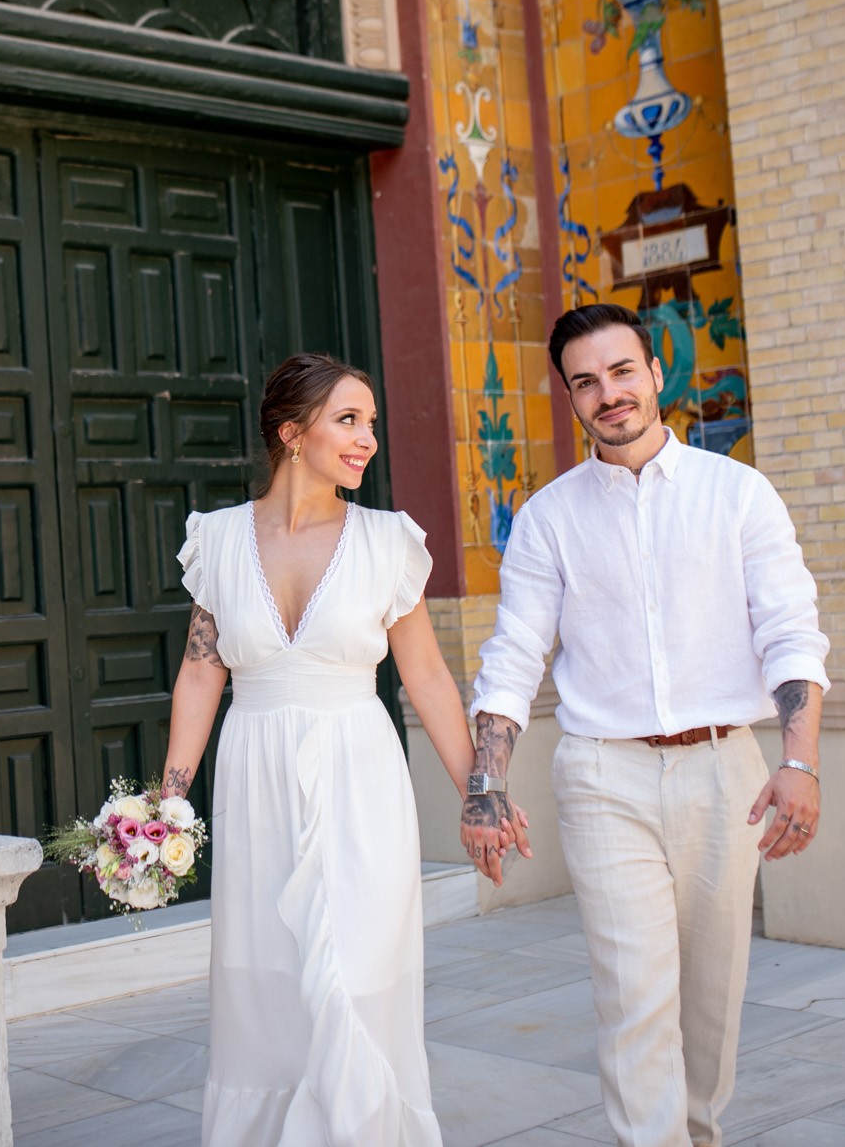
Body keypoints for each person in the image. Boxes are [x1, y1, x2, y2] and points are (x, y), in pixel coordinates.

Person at [461, 304, 829, 1147]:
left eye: (623, 371)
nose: (609, 393)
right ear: (570, 397)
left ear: (656, 373)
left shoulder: (737, 492)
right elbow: (514, 657)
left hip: (723, 771)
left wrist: (799, 762)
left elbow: (789, 631)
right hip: (602, 775)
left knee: (711, 998)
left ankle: (699, 1134)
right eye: (586, 381)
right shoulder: (548, 517)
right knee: (633, 997)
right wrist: (485, 785)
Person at [159, 352, 529, 1147]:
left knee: (358, 973)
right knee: (271, 987)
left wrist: (481, 790)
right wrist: (169, 802)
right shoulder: (218, 541)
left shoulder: (387, 541)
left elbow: (426, 674)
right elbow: (200, 674)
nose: (367, 440)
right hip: (255, 776)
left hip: (360, 776)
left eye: (371, 423)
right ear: (292, 434)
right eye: (348, 421)